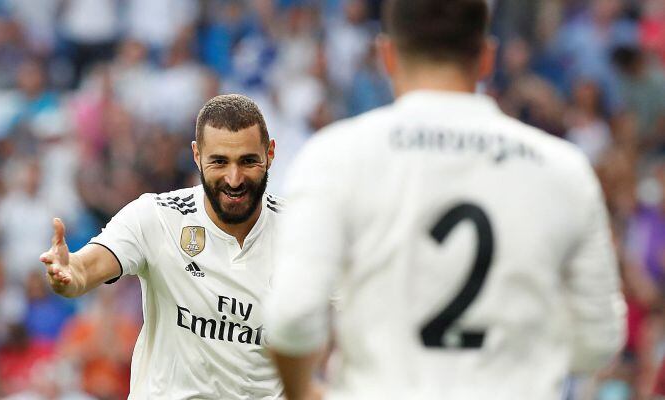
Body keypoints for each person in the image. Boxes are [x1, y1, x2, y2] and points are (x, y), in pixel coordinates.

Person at [265, 1, 626, 399]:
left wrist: (303, 392)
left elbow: (293, 317)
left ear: (387, 54)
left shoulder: (334, 155)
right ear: (487, 57)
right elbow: (599, 340)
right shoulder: (564, 168)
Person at [39, 94, 284, 398]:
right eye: (219, 162)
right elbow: (87, 267)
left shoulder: (300, 231)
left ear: (270, 153)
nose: (234, 179)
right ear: (197, 156)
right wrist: (69, 272)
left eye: (248, 161)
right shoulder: (157, 217)